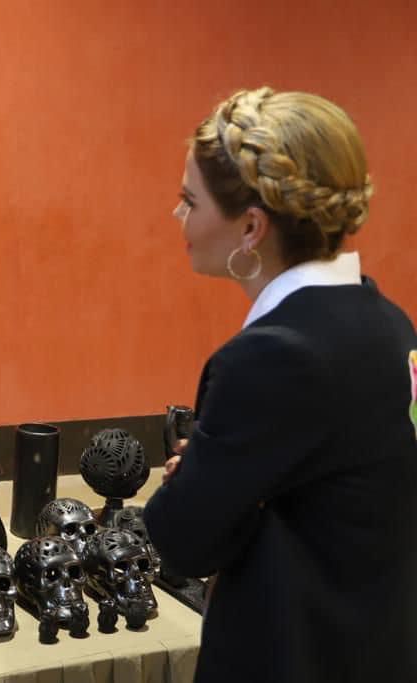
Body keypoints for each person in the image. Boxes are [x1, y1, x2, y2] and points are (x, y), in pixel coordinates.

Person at [143, 87, 417, 682]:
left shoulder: (267, 357)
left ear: (250, 226)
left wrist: (202, 480)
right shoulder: (394, 328)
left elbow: (182, 541)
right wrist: (233, 483)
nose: (177, 216)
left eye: (189, 200)